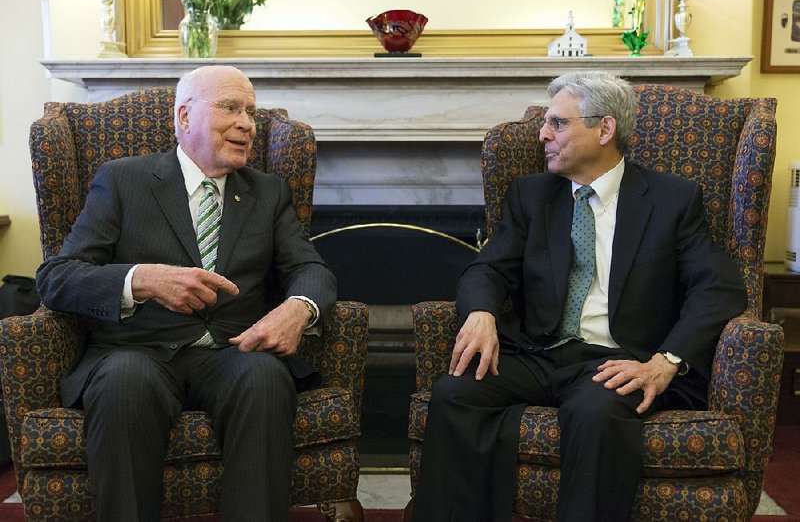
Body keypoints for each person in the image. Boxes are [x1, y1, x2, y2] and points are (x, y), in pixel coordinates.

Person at [411, 71, 747, 522]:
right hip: (541, 352)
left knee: (595, 410)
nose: (543, 134)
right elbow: (488, 267)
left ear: (604, 129)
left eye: (558, 123)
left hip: (618, 357)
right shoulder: (532, 196)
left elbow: (719, 288)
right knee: (454, 393)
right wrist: (482, 313)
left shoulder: (672, 199)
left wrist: (665, 362)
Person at [36, 65, 336, 521]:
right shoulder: (122, 180)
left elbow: (309, 267)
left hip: (234, 352)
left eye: (250, 112)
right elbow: (56, 277)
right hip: (139, 350)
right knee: (123, 382)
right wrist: (141, 279)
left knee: (265, 377)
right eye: (230, 108)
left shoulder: (268, 193)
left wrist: (299, 308)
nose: (246, 124)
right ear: (184, 117)